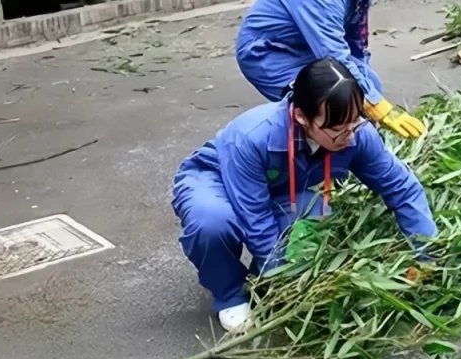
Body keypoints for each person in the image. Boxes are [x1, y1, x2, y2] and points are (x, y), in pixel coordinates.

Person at [172, 58, 437, 332]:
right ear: (301, 116)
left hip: (279, 187)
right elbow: (256, 218)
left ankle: (257, 281)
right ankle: (230, 294)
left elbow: (401, 188)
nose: (349, 136)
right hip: (216, 180)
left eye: (355, 122)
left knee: (316, 217)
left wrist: (426, 253)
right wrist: (285, 280)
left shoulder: (354, 132)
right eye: (337, 129)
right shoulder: (254, 136)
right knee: (213, 223)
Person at [236, 0, 426, 138]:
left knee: (369, 84)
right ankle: (304, 161)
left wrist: (371, 97)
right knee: (326, 103)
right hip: (268, 51)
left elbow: (356, 47)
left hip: (302, 46)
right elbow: (334, 53)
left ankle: (361, 150)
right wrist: (377, 107)